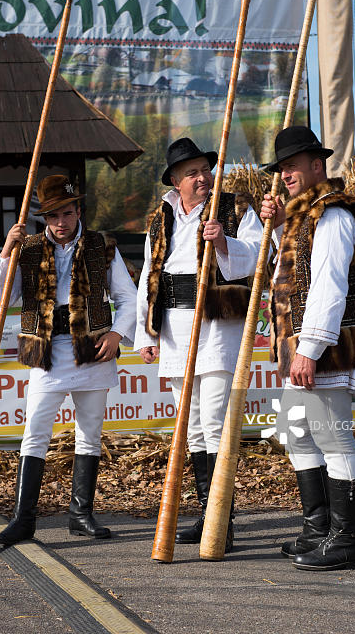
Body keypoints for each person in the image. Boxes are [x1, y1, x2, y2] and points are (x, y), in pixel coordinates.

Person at [0, 175, 137, 545]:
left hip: (93, 348)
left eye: (67, 213)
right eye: (53, 216)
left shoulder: (103, 246)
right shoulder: (30, 248)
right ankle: (24, 519)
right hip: (47, 350)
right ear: (44, 219)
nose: (61, 222)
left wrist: (117, 334)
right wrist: (7, 250)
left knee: (89, 433)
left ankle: (80, 514)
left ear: (78, 210)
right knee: (35, 434)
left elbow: (129, 298)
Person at [134, 137, 263, 552]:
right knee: (190, 429)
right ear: (174, 180)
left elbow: (262, 253)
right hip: (174, 327)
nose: (202, 177)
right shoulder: (161, 217)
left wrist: (224, 242)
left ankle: (221, 523)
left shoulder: (235, 207)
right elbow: (149, 276)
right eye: (191, 172)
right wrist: (145, 334)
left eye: (205, 169)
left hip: (218, 327)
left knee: (213, 422)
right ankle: (208, 515)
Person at [261, 126, 355, 571]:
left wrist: (309, 349)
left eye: (293, 165)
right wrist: (275, 230)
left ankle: (347, 540)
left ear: (317, 164)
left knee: (332, 436)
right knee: (298, 433)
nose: (286, 174)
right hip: (302, 349)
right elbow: (290, 274)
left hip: (328, 348)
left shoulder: (332, 215)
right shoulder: (302, 217)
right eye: (282, 167)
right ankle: (318, 529)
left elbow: (328, 287)